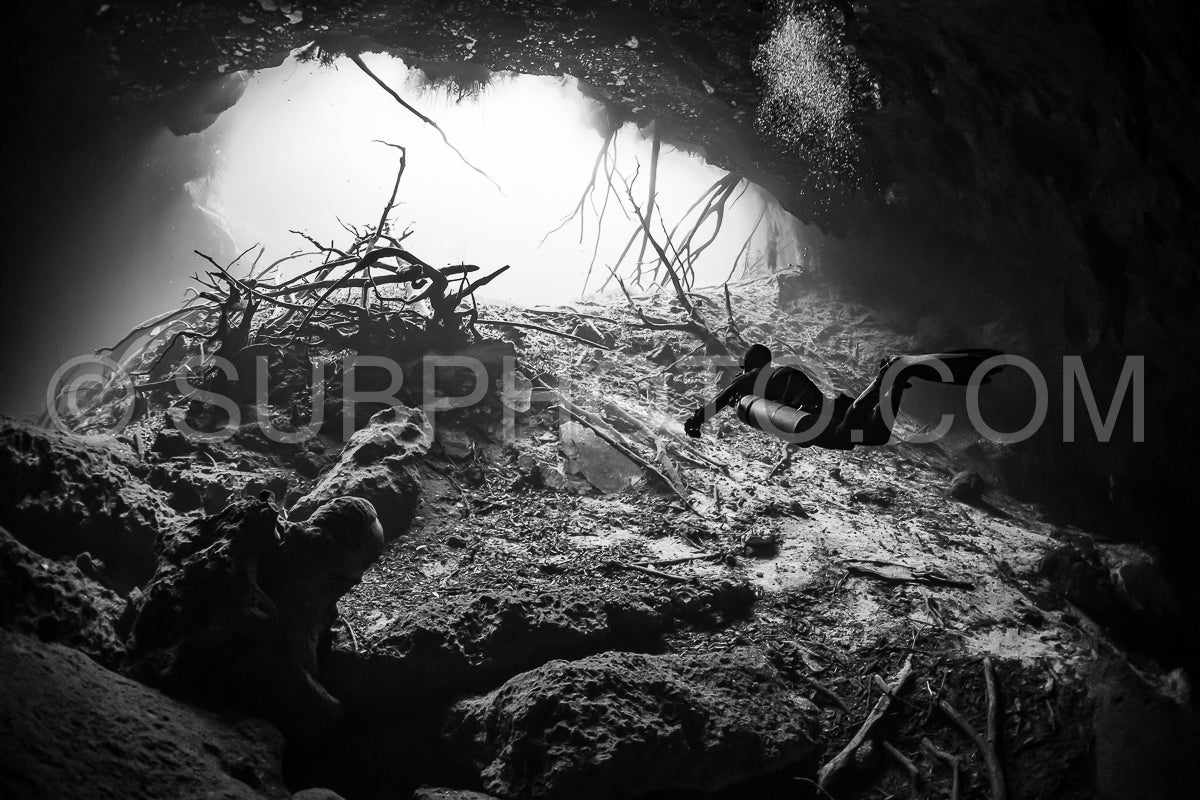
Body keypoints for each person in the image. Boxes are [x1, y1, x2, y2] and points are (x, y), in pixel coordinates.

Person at [683, 343, 1004, 451]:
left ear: (751, 364)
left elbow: (723, 398)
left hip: (816, 414)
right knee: (876, 435)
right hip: (825, 407)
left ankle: (890, 373)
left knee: (843, 434)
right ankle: (898, 380)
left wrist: (697, 420)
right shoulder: (770, 374)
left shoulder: (754, 376)